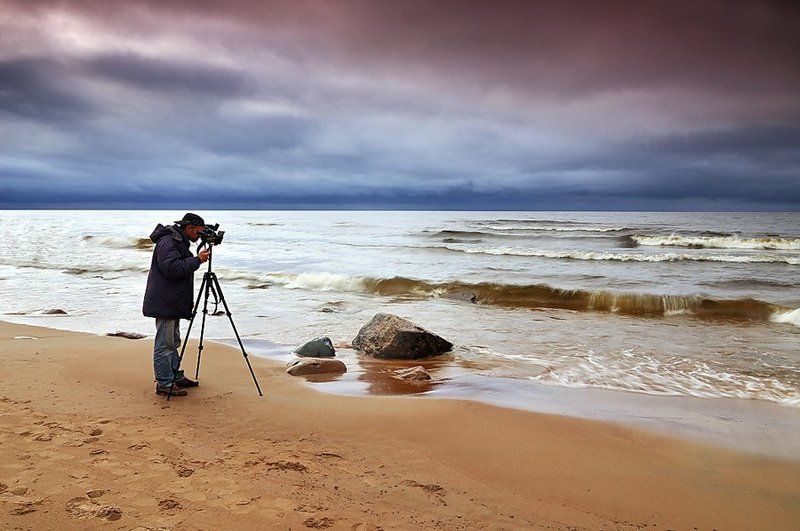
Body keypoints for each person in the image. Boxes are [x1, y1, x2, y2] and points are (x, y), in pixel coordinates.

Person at [142, 213, 210, 396]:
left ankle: (175, 375)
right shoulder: (169, 241)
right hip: (165, 301)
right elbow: (172, 268)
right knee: (165, 343)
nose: (200, 236)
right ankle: (164, 382)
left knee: (173, 340)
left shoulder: (178, 241)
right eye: (198, 232)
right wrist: (198, 260)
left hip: (171, 299)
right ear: (188, 228)